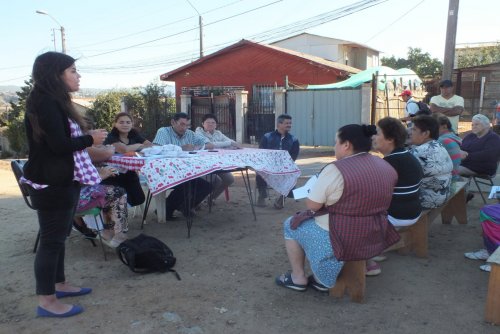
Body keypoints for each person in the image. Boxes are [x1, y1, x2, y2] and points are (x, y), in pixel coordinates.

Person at [22, 52, 107, 318]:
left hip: (62, 179)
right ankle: (46, 301)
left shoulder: (52, 101)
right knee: (51, 241)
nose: (78, 75)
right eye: (72, 70)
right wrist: (90, 139)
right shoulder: (46, 102)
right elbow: (58, 146)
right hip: (52, 181)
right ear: (55, 74)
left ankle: (59, 285)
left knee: (58, 240)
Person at [275, 124, 399, 292]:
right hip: (375, 233)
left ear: (346, 145)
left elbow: (312, 205)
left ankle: (299, 278)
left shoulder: (336, 170)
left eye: (336, 143)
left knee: (291, 224)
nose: (335, 147)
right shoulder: (385, 165)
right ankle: (364, 264)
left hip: (342, 237)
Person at [368, 117, 424, 274]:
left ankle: (368, 258)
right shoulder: (406, 155)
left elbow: (372, 195)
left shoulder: (390, 162)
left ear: (390, 139)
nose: (373, 137)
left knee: (355, 215)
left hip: (399, 215)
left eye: (377, 133)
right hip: (414, 210)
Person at [152, 112, 213, 219]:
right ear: (173, 122)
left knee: (207, 186)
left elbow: (209, 145)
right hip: (165, 171)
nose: (184, 128)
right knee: (186, 183)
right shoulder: (163, 131)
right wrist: (181, 148)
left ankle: (186, 206)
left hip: (186, 171)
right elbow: (156, 150)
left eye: (187, 125)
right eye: (182, 124)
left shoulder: (190, 134)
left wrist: (196, 147)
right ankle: (166, 211)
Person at [102, 113, 151, 207]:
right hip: (113, 174)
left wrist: (136, 146)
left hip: (129, 173)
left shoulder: (134, 135)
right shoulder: (110, 137)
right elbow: (124, 149)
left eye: (128, 122)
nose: (125, 125)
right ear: (115, 124)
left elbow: (150, 145)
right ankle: (119, 213)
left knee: (139, 199)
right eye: (121, 122)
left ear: (132, 124)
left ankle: (122, 208)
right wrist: (139, 145)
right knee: (121, 199)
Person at [256, 114, 300, 209]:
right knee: (259, 171)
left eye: (290, 123)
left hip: (285, 166)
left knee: (291, 173)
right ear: (279, 124)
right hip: (268, 164)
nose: (289, 125)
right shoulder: (267, 137)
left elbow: (293, 156)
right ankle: (262, 196)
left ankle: (282, 198)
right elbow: (261, 152)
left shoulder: (294, 140)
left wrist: (284, 165)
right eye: (287, 123)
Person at [409, 115, 453, 209]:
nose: (410, 132)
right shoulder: (440, 146)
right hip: (443, 195)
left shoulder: (418, 152)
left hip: (427, 200)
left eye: (414, 129)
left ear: (425, 133)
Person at [195, 113, 239, 202]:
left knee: (229, 179)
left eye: (213, 122)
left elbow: (232, 142)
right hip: (202, 164)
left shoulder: (218, 133)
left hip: (217, 162)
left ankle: (211, 198)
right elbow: (210, 145)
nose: (210, 124)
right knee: (215, 181)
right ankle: (196, 202)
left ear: (216, 125)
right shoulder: (198, 133)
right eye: (208, 122)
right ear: (203, 124)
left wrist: (230, 143)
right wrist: (228, 144)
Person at [458, 114, 500, 178]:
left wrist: (467, 156)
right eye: (472, 125)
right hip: (466, 164)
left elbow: (488, 155)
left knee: (450, 170)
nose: (473, 126)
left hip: (482, 168)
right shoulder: (470, 136)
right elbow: (461, 147)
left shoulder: (493, 138)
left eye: (477, 124)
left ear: (486, 125)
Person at [432, 113, 463, 180]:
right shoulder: (454, 137)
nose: (430, 130)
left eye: (433, 126)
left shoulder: (441, 141)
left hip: (447, 180)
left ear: (444, 126)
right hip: (454, 176)